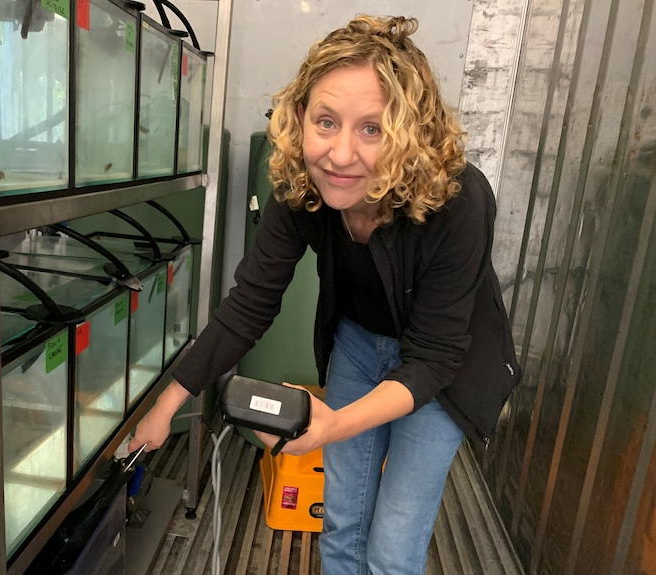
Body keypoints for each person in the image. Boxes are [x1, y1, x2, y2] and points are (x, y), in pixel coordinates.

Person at [129, 14, 520, 575]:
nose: (339, 154)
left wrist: (333, 425)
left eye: (372, 128)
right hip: (360, 345)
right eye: (326, 121)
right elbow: (250, 304)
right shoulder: (301, 188)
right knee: (341, 523)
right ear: (299, 118)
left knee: (391, 548)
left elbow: (434, 356)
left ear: (411, 133)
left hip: (445, 369)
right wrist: (168, 405)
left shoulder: (457, 201)